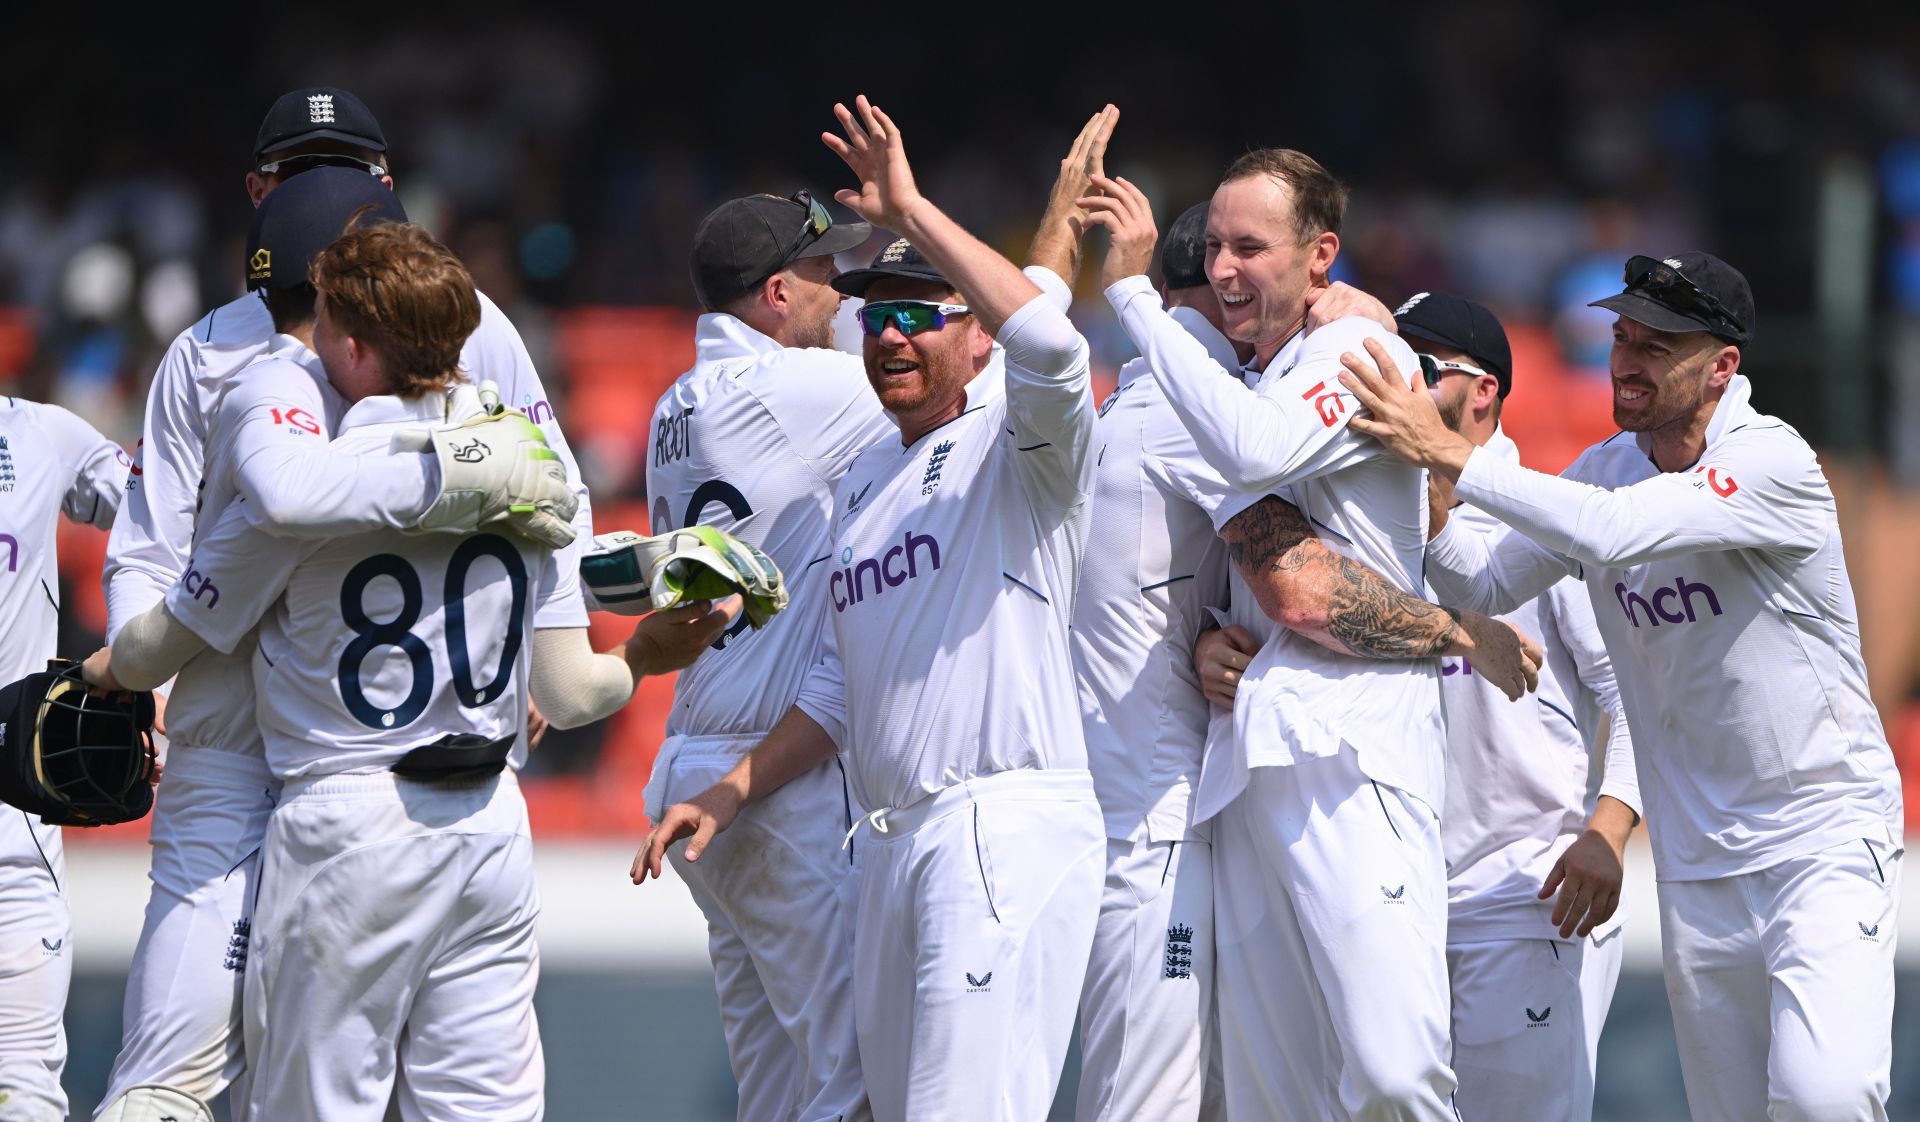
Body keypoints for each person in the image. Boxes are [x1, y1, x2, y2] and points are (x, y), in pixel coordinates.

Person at [85, 218, 719, 1122]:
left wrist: (105, 670)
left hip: (348, 828)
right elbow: (572, 696)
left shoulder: (306, 488)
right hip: (491, 829)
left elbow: (163, 643)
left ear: (347, 342)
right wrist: (649, 653)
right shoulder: (525, 466)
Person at [94, 87, 588, 1122]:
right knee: (171, 1069)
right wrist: (135, 688)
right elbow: (152, 547)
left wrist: (545, 640)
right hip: (234, 727)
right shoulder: (209, 352)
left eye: (347, 170)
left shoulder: (468, 322)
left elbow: (559, 494)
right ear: (257, 192)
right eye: (298, 170)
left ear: (389, 188)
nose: (323, 193)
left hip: (390, 741)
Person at [1338, 252, 1905, 1121]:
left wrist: (1448, 447)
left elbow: (1615, 534)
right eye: (1622, 337)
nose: (1627, 360)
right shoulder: (1605, 468)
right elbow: (1483, 587)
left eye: (1659, 345)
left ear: (1722, 367)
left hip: (1818, 839)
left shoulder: (1771, 463)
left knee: (1824, 1101)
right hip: (1696, 857)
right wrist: (1435, 490)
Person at [639, 97, 1106, 1121]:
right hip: (888, 839)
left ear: (977, 340)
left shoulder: (1013, 446)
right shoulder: (858, 482)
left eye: (916, 313)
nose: (885, 333)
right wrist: (734, 789)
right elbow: (837, 683)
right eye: (872, 311)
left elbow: (1050, 351)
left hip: (995, 817)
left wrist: (917, 208)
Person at [1073, 208, 1537, 1122]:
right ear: (1203, 298)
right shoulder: (1191, 403)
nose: (1238, 273)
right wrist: (1458, 633)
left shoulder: (1143, 405)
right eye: (1221, 257)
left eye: (1253, 251)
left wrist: (1206, 629)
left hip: (1243, 781)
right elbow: (1299, 589)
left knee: (1332, 1084)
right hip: (1195, 804)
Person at [636, 180, 890, 1122]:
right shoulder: (800, 387)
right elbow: (979, 377)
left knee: (776, 1095)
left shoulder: (676, 399)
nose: (848, 294)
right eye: (828, 271)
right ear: (778, 293)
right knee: (850, 1084)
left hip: (698, 750)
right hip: (768, 776)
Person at [1397, 291, 1640, 1122]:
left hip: (1525, 896)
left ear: (1484, 393)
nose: (1400, 386)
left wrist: (1606, 834)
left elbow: (1633, 696)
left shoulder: (1540, 523)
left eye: (1421, 370)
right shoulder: (1367, 519)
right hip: (1398, 902)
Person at [0, 396, 123, 1122]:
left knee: (25, 1102)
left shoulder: (39, 433)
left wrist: (153, 666)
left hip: (13, 845)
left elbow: (166, 511)